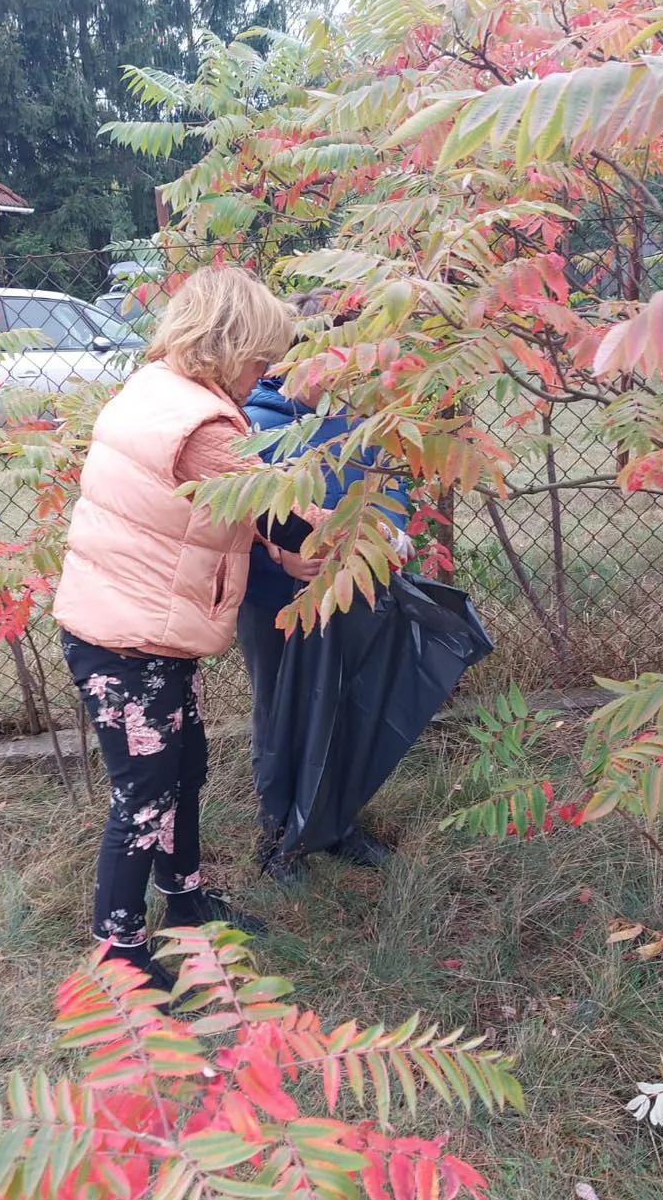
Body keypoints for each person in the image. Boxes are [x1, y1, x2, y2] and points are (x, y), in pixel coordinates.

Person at [53, 267, 320, 988]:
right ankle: (120, 955)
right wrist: (357, 537)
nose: (266, 376)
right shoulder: (201, 426)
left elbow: (225, 508)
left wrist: (281, 546)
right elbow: (280, 512)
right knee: (145, 792)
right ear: (229, 348)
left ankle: (185, 900)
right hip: (126, 640)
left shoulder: (158, 389)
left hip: (138, 626)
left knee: (184, 768)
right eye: (261, 361)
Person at [238, 290, 412, 880]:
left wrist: (393, 531)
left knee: (340, 703)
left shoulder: (357, 421)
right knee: (279, 711)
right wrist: (283, 562)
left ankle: (334, 823)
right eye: (336, 353)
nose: (348, 368)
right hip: (275, 601)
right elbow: (236, 520)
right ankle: (278, 837)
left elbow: (388, 487)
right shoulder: (256, 424)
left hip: (348, 594)